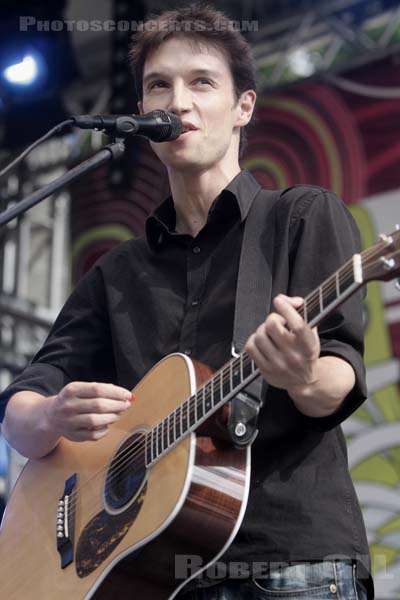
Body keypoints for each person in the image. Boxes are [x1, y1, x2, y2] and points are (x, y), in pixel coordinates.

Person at [0, 4, 374, 599]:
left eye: (201, 82)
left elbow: (340, 376)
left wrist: (301, 373)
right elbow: (20, 406)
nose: (178, 101)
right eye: (158, 86)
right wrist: (46, 416)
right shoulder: (117, 273)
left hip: (288, 562)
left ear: (242, 107)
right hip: (153, 575)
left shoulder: (300, 217)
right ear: (143, 113)